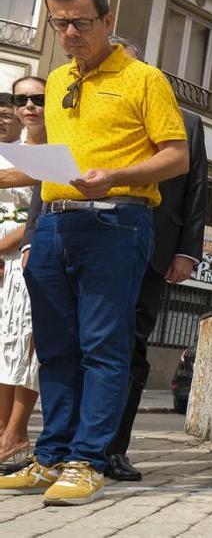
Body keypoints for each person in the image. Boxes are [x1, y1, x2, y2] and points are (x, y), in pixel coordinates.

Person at [0, 0, 188, 506]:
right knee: (56, 350)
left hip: (116, 223)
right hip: (56, 226)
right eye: (59, 25)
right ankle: (53, 456)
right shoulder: (58, 81)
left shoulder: (145, 80)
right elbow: (47, 163)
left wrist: (116, 178)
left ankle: (89, 461)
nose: (68, 35)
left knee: (103, 346)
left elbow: (176, 157)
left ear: (108, 19)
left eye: (80, 23)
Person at [0, 77, 46, 466]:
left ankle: (18, 431)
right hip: (2, 265)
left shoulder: (54, 150)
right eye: (21, 99)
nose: (29, 105)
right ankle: (3, 436)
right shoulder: (7, 152)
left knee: (27, 345)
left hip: (29, 256)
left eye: (38, 98)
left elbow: (40, 203)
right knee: (3, 346)